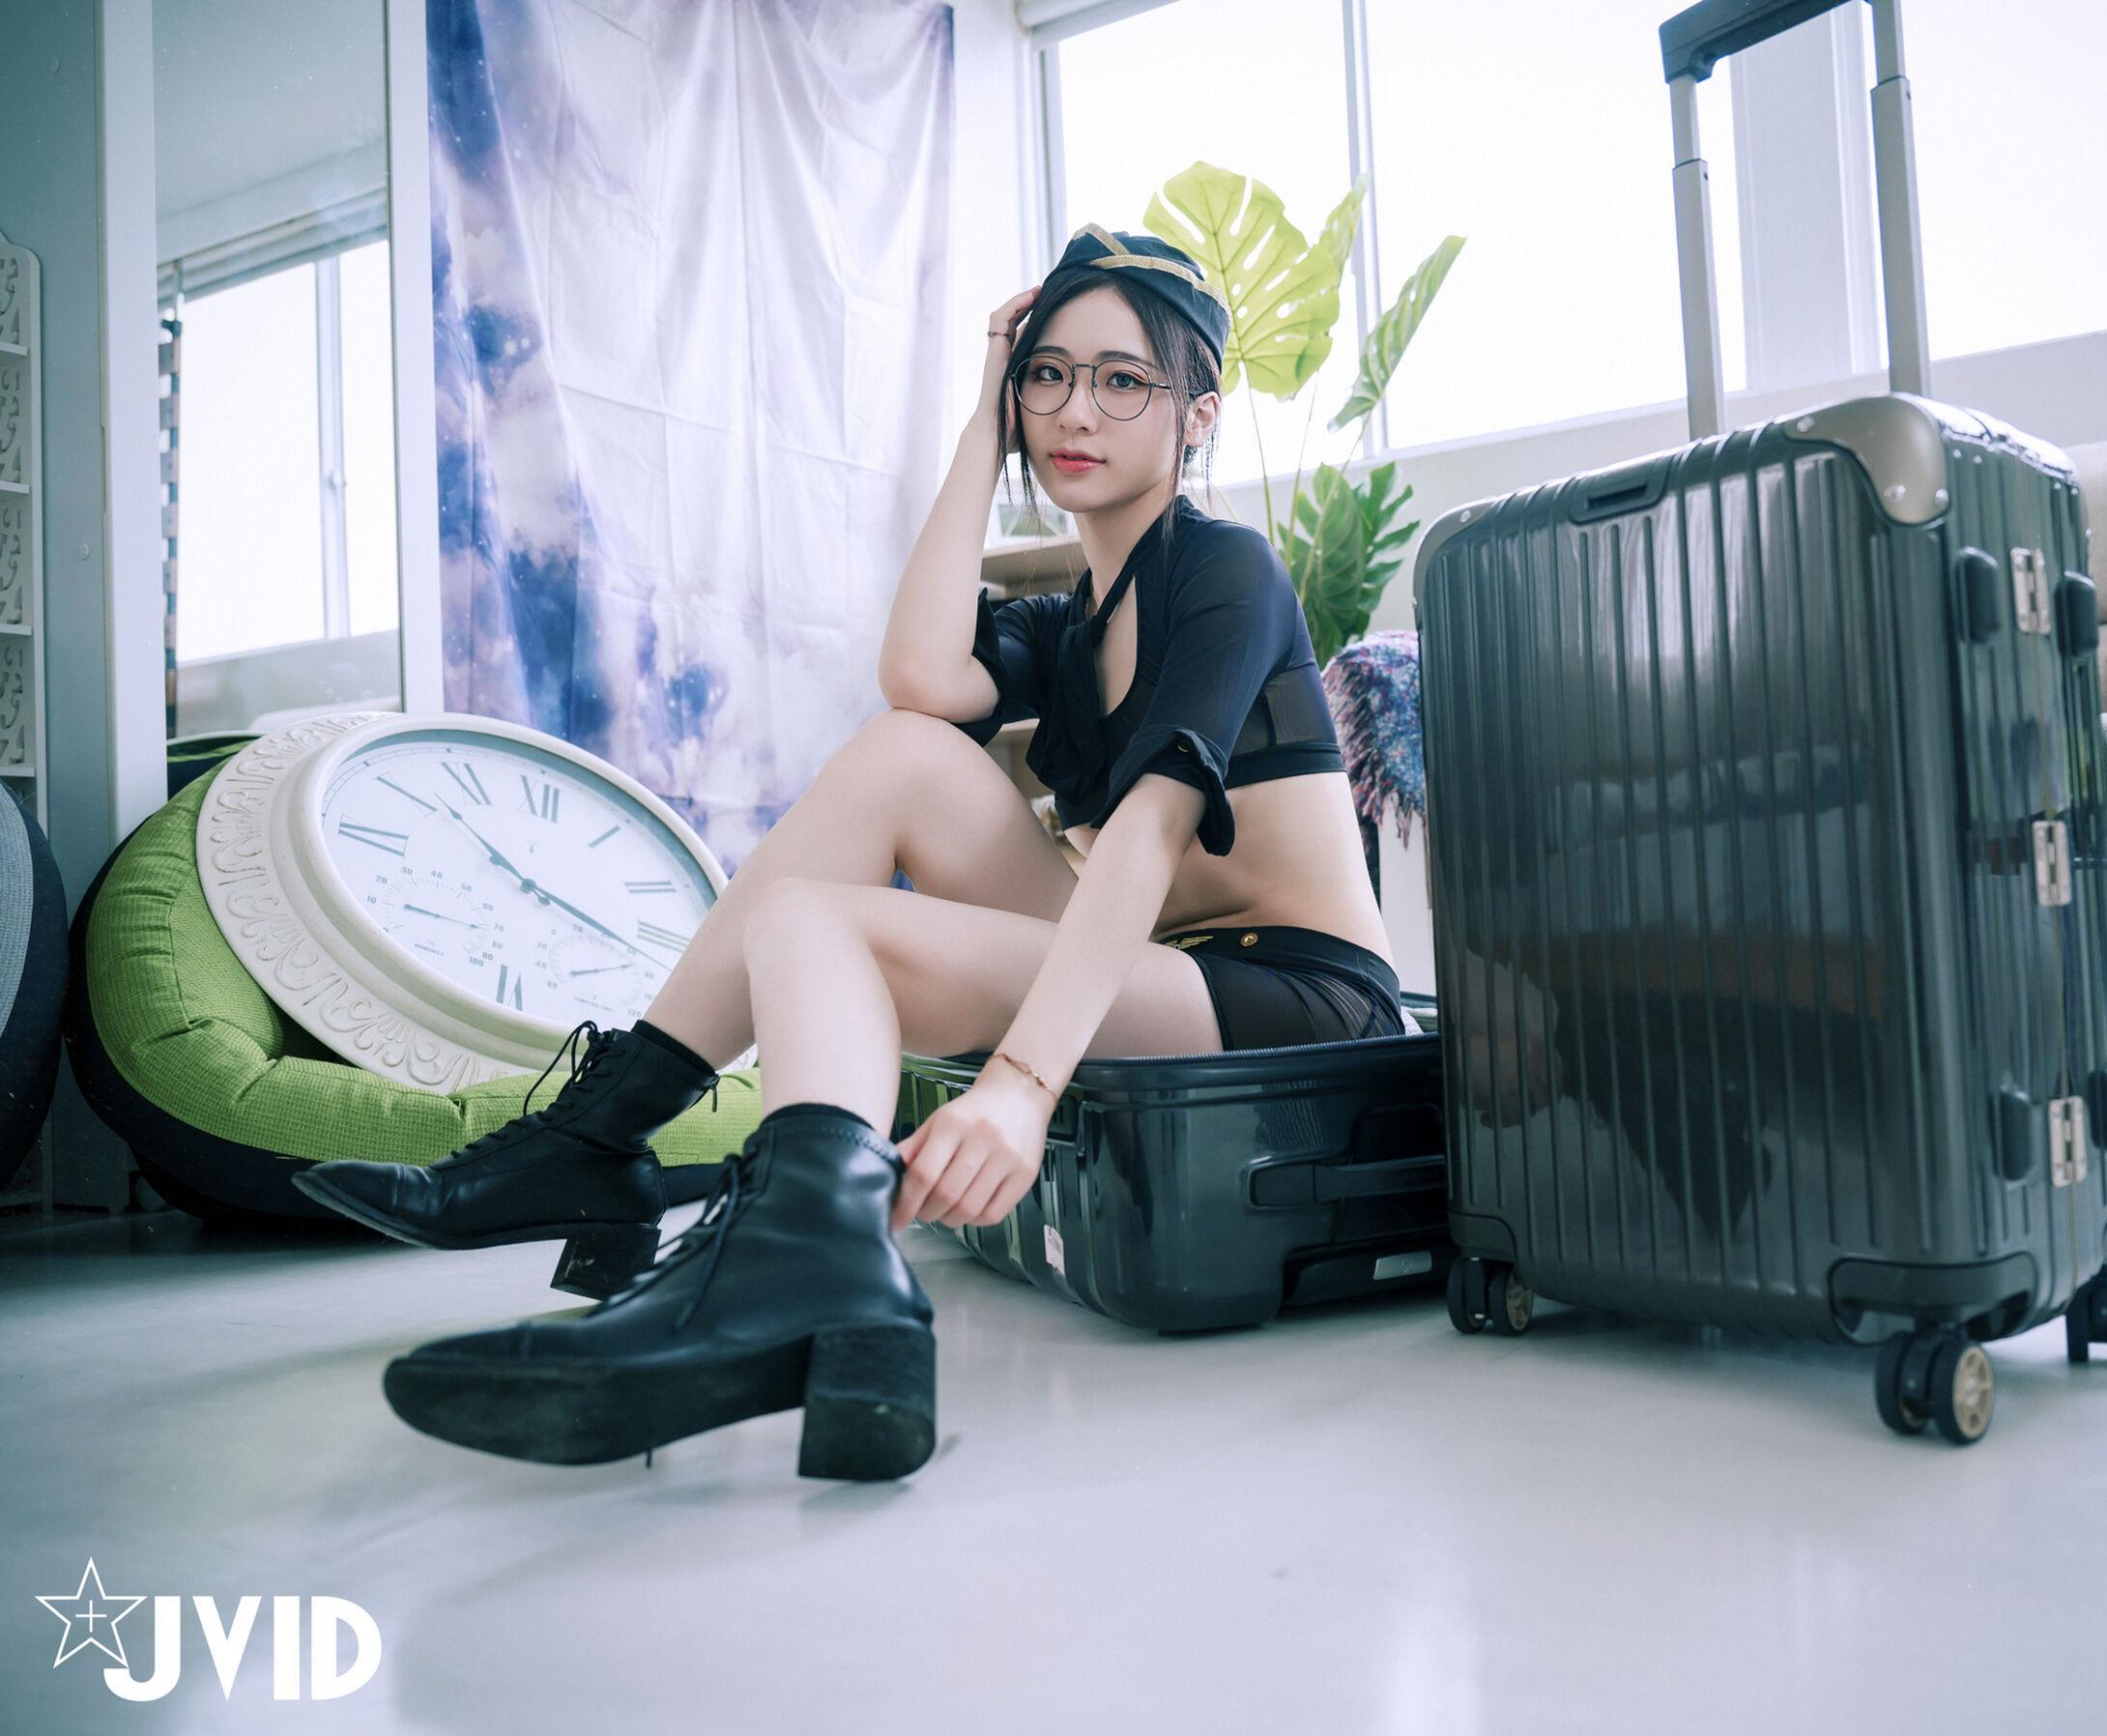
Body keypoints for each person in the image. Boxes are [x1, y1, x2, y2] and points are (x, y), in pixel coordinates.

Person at [291, 223, 1403, 1483]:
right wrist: (982, 426)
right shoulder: (1076, 622)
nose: (1074, 409)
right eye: (1048, 374)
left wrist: (1021, 1086)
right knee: (905, 753)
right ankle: (611, 1142)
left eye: (1121, 380)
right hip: (1152, 964)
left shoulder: (1225, 570)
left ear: (1196, 418)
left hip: (1291, 994)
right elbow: (920, 675)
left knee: (814, 924)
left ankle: (791, 1255)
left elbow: (1146, 832)